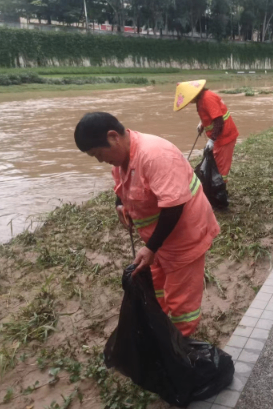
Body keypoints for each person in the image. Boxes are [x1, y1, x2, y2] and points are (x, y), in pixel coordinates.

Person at [74, 112, 220, 336]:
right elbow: (122, 183)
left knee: (181, 302)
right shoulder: (121, 157)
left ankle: (180, 346)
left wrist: (151, 247)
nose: (100, 160)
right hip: (158, 239)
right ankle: (160, 331)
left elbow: (174, 207)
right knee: (157, 288)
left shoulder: (155, 155)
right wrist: (120, 202)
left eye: (98, 154)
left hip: (185, 237)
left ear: (114, 137)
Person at [173, 80, 239, 184]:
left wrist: (212, 140)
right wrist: (202, 124)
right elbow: (211, 114)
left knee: (221, 168)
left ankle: (220, 190)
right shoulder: (202, 98)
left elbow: (218, 121)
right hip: (219, 138)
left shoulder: (207, 98)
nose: (190, 102)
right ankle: (216, 185)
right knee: (216, 163)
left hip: (225, 137)